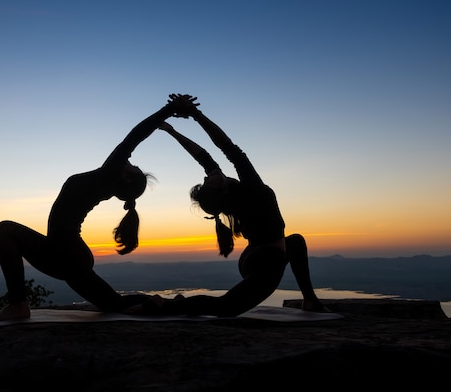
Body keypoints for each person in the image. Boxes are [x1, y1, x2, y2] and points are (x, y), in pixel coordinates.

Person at [0, 94, 193, 326]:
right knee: (113, 304)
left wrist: (169, 109)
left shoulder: (107, 177)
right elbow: (131, 142)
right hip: (65, 253)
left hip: (67, 254)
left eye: (133, 166)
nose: (130, 161)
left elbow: (134, 137)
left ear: (126, 176)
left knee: (4, 231)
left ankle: (17, 304)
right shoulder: (105, 181)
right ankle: (170, 304)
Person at [128, 94, 328, 317]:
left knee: (297, 242)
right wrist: (196, 114)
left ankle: (310, 300)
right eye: (206, 183)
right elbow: (227, 146)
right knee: (226, 307)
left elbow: (201, 155)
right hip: (265, 264)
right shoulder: (253, 190)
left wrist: (172, 131)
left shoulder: (232, 193)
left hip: (256, 256)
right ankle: (164, 305)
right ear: (221, 189)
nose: (206, 177)